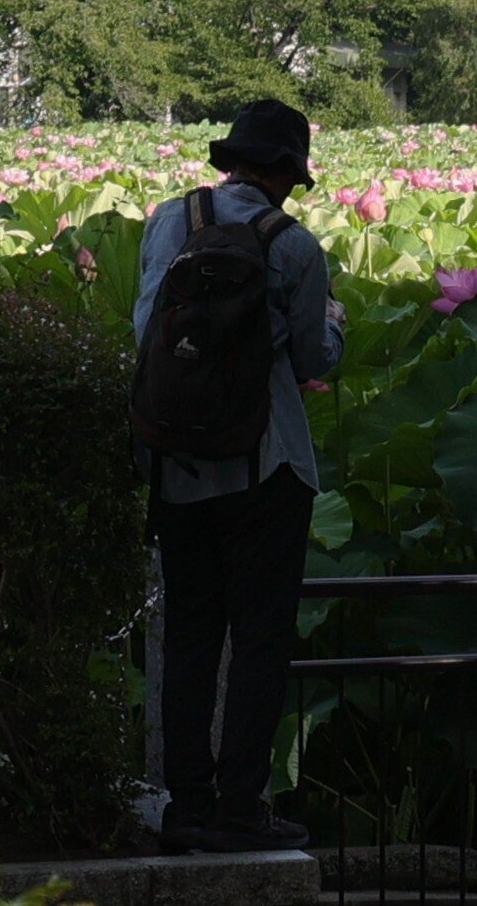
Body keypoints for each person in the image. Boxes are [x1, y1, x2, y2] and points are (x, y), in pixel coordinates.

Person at [134, 97, 345, 855]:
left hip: (176, 462)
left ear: (229, 161)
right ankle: (240, 807)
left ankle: (185, 806)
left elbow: (142, 328)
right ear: (287, 174)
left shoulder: (167, 220)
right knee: (259, 640)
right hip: (268, 463)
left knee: (190, 632)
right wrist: (333, 330)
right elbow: (316, 360)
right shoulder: (294, 246)